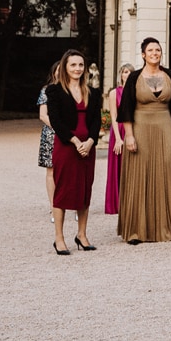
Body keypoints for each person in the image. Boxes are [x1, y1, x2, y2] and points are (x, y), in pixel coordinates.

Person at [117, 37, 171, 244]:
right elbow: (126, 108)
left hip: (166, 126)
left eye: (158, 50)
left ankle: (167, 228)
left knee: (166, 170)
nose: (155, 53)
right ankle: (136, 230)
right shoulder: (134, 77)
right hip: (140, 126)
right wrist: (129, 135)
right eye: (150, 50)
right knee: (140, 172)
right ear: (143, 55)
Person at [45, 49, 102, 254]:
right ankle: (59, 238)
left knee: (85, 189)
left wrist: (91, 142)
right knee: (63, 190)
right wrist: (76, 141)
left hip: (88, 147)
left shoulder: (93, 92)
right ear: (65, 67)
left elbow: (96, 120)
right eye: (73, 65)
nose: (77, 68)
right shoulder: (54, 91)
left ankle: (82, 235)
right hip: (66, 145)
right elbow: (55, 120)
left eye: (80, 65)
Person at [104, 64, 132, 215]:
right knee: (117, 166)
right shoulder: (114, 92)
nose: (128, 74)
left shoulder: (136, 91)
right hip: (118, 130)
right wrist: (118, 138)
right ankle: (116, 203)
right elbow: (113, 116)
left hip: (133, 129)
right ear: (121, 75)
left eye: (131, 72)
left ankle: (131, 202)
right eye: (125, 72)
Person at [36, 74, 56, 214]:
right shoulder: (46, 90)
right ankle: (53, 206)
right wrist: (58, 128)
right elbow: (43, 115)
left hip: (70, 132)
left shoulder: (73, 89)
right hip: (51, 133)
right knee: (51, 169)